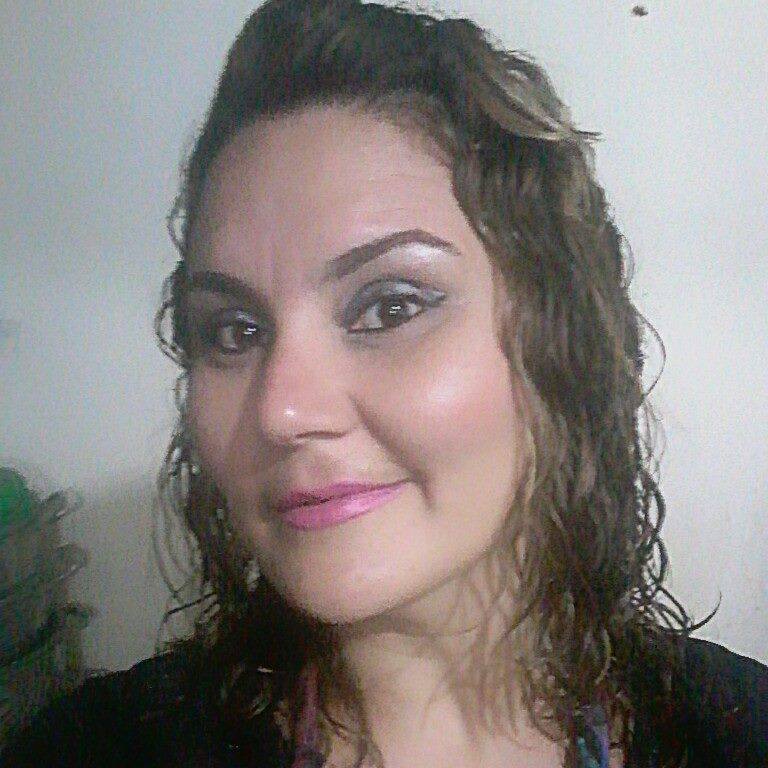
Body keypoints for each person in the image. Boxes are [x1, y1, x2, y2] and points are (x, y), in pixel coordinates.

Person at [3, 1, 766, 766]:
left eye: (390, 306)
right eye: (234, 331)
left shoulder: (739, 730)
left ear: (563, 341)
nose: (281, 410)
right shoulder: (92, 750)